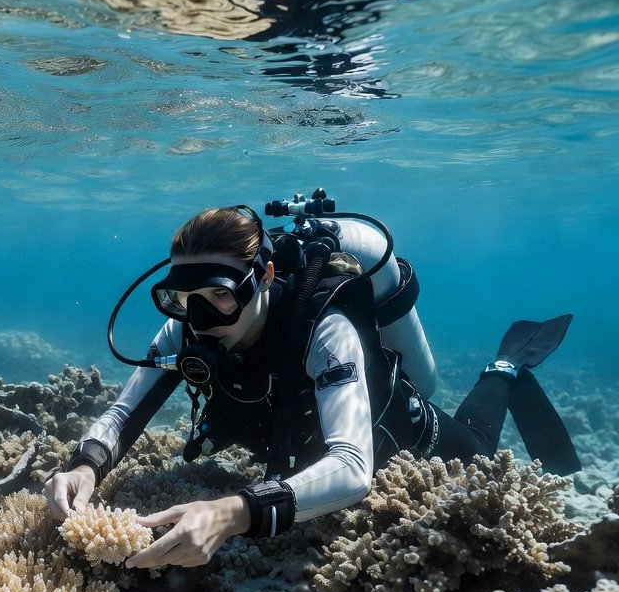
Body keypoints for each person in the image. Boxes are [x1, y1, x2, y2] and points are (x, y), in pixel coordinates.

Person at [45, 202, 578, 569]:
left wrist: (232, 513)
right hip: (294, 454)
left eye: (220, 295)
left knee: (481, 449)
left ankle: (504, 368)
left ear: (267, 277)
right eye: (181, 299)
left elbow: (352, 468)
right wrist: (85, 465)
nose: (199, 317)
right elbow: (122, 414)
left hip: (393, 436)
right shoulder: (186, 329)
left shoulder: (326, 328)